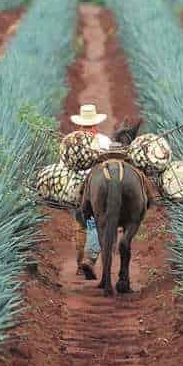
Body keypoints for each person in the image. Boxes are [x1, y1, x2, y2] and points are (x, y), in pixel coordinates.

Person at [70, 104, 112, 278]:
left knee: (80, 225)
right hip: (100, 187)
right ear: (96, 124)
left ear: (80, 124)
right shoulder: (104, 141)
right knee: (95, 223)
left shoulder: (71, 140)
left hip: (77, 187)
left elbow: (66, 164)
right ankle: (89, 259)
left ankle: (81, 265)